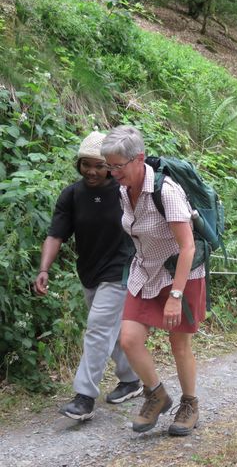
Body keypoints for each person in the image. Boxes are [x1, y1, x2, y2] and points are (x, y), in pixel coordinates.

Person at [101, 125, 205, 436]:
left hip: (178, 274)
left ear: (139, 159)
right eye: (109, 165)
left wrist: (175, 295)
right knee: (129, 339)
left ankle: (190, 404)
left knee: (179, 344)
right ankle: (156, 394)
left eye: (117, 165)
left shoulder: (167, 192)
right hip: (144, 271)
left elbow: (188, 246)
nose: (112, 172)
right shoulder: (122, 189)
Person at [33, 131, 142, 421]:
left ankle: (84, 397)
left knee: (96, 328)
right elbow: (56, 234)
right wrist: (44, 269)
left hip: (121, 268)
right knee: (113, 329)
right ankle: (131, 379)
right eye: (86, 164)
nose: (92, 171)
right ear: (78, 164)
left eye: (98, 164)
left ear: (110, 164)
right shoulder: (71, 195)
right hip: (89, 271)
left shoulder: (124, 191)